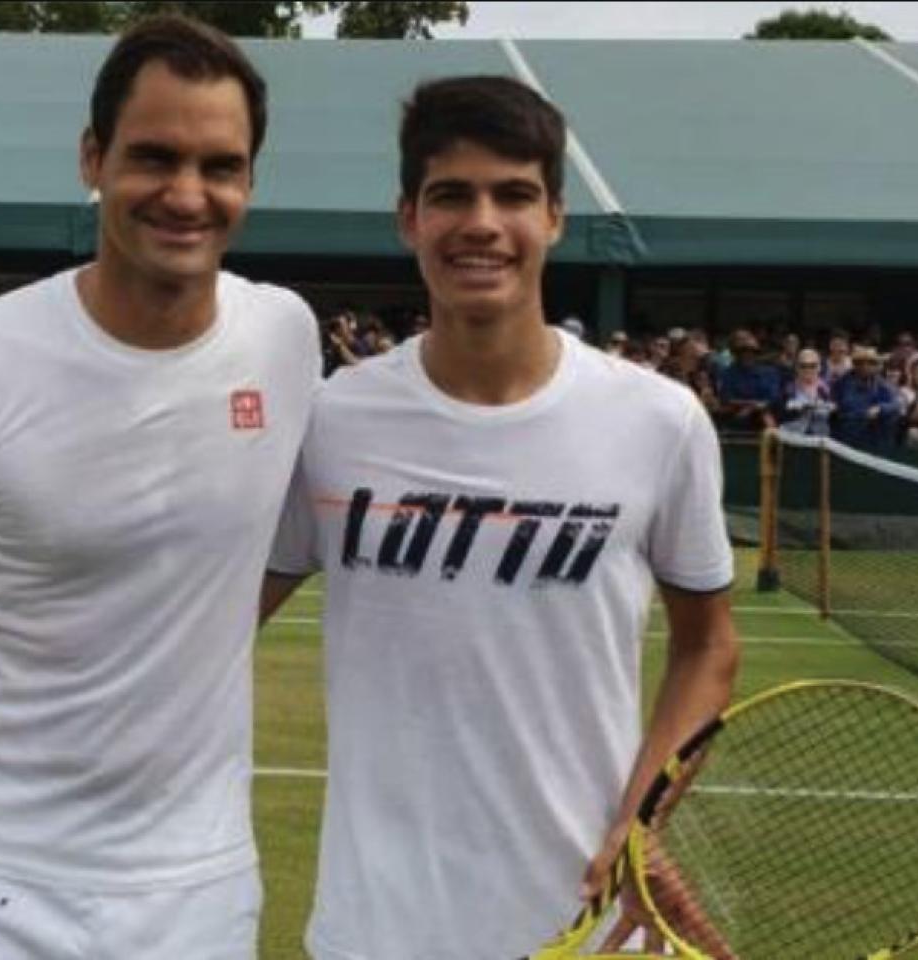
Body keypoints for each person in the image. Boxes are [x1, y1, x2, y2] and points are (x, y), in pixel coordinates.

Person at [0, 16, 318, 960]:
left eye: (220, 165)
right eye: (153, 157)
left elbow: (314, 526)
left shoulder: (285, 336)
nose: (186, 194)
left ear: (251, 183)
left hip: (202, 890)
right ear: (93, 158)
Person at [260, 75, 740, 959]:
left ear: (555, 215)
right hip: (376, 932)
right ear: (408, 217)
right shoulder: (331, 418)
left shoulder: (659, 420)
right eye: (451, 195)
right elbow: (207, 616)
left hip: (585, 928)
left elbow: (709, 645)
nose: (482, 223)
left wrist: (644, 819)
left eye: (514, 194)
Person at [831, 346, 903, 450]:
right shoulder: (843, 382)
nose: (865, 366)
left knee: (890, 418)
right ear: (855, 365)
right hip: (848, 430)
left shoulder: (881, 384)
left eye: (871, 363)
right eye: (860, 363)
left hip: (872, 433)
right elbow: (836, 404)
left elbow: (896, 404)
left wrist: (880, 409)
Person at [777, 347, 832, 436]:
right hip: (792, 438)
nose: (808, 369)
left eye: (812, 366)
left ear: (819, 367)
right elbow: (779, 413)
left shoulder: (829, 389)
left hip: (821, 441)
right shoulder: (787, 389)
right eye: (803, 366)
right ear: (796, 367)